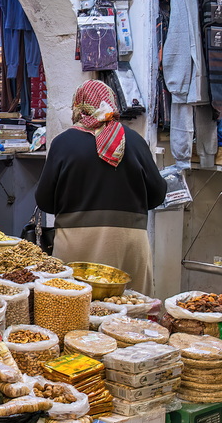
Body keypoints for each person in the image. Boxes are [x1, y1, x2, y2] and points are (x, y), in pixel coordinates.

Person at [35, 80, 167, 292]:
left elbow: (44, 201)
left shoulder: (63, 143)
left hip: (76, 242)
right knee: (131, 311)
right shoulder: (134, 140)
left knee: (73, 310)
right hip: (128, 242)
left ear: (79, 105)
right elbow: (158, 195)